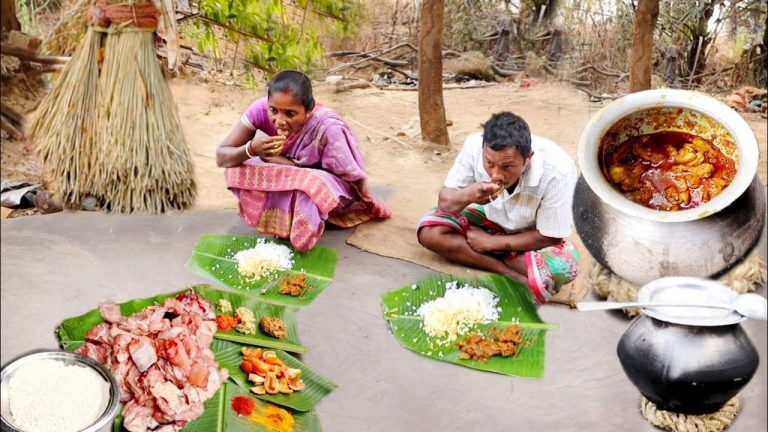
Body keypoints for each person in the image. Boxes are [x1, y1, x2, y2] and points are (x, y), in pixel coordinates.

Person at [216, 70, 391, 251]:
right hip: (291, 175)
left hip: (329, 187)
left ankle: (308, 225)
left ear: (308, 112)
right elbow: (223, 156)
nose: (279, 121)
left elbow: (348, 180)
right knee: (237, 168)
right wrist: (251, 149)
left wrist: (288, 164)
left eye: (290, 114)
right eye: (273, 110)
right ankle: (281, 221)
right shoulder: (259, 110)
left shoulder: (328, 127)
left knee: (306, 185)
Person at [416, 112, 580, 303]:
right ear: (483, 150)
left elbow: (550, 235)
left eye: (507, 166)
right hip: (490, 219)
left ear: (528, 157)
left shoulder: (558, 171)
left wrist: (490, 243)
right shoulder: (473, 147)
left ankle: (481, 251)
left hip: (532, 236)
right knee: (429, 232)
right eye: (489, 163)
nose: (496, 175)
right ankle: (504, 272)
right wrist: (468, 195)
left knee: (563, 269)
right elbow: (446, 202)